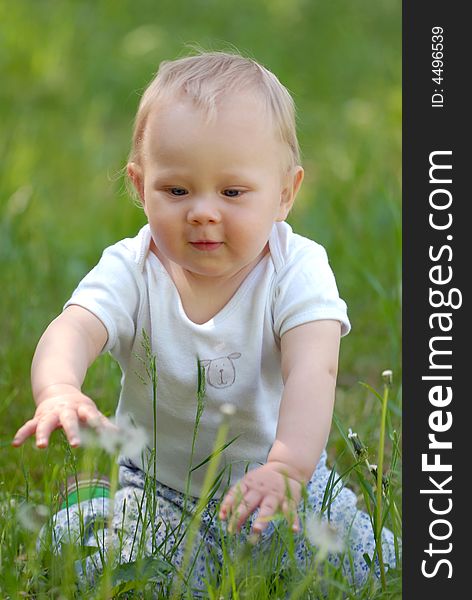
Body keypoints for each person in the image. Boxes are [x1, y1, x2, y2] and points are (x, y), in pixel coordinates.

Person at [12, 51, 396, 593]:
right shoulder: (133, 267)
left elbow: (316, 369)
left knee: (361, 571)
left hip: (280, 481)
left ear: (285, 193)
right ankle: (93, 510)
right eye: (177, 190)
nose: (203, 211)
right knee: (139, 578)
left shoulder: (297, 270)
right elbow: (74, 326)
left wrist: (289, 467)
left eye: (233, 192)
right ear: (140, 186)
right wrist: (58, 387)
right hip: (158, 488)